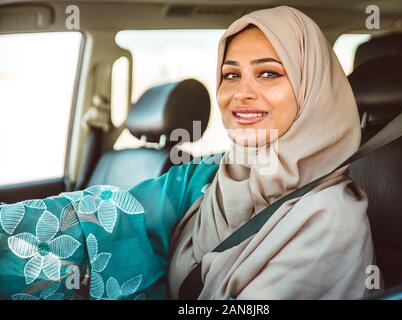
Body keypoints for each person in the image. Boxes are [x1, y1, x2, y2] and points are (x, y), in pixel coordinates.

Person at [0, 6, 374, 300]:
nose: (241, 93)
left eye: (269, 74)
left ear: (312, 90)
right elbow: (102, 217)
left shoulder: (331, 218)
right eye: (230, 75)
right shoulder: (207, 177)